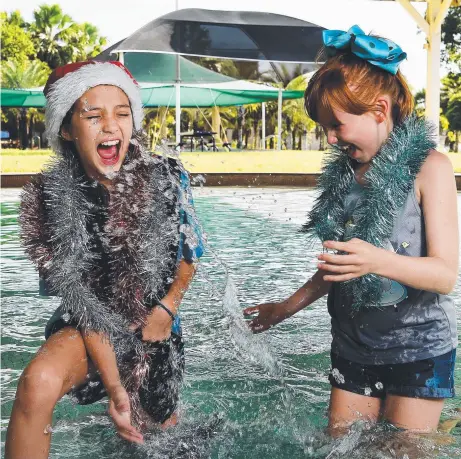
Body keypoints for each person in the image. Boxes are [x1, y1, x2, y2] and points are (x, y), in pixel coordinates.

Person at [244, 25, 458, 436]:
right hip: (352, 345)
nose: (329, 137)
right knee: (340, 447)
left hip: (418, 349)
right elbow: (342, 268)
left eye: (336, 125)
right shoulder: (345, 179)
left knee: (401, 450)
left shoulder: (430, 169)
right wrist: (286, 307)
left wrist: (379, 260)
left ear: (379, 110)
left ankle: (439, 421)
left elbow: (445, 275)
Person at [5, 60, 204, 458]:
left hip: (155, 326)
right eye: (93, 116)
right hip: (89, 323)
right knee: (37, 382)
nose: (110, 126)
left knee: (161, 441)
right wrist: (115, 389)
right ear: (66, 128)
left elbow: (190, 253)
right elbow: (83, 301)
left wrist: (168, 307)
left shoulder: (164, 175)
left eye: (122, 113)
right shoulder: (51, 202)